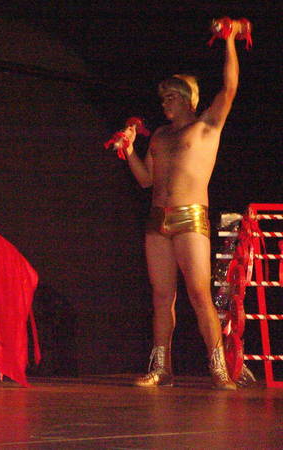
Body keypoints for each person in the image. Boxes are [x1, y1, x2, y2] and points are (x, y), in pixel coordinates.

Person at [123, 22, 242, 389]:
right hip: (157, 218)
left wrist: (230, 41)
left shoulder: (206, 126)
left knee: (199, 293)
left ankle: (219, 368)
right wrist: (129, 151)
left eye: (172, 97)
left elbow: (229, 88)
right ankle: (162, 368)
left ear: (189, 99)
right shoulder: (159, 135)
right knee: (162, 297)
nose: (165, 104)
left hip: (190, 217)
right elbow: (146, 179)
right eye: (163, 100)